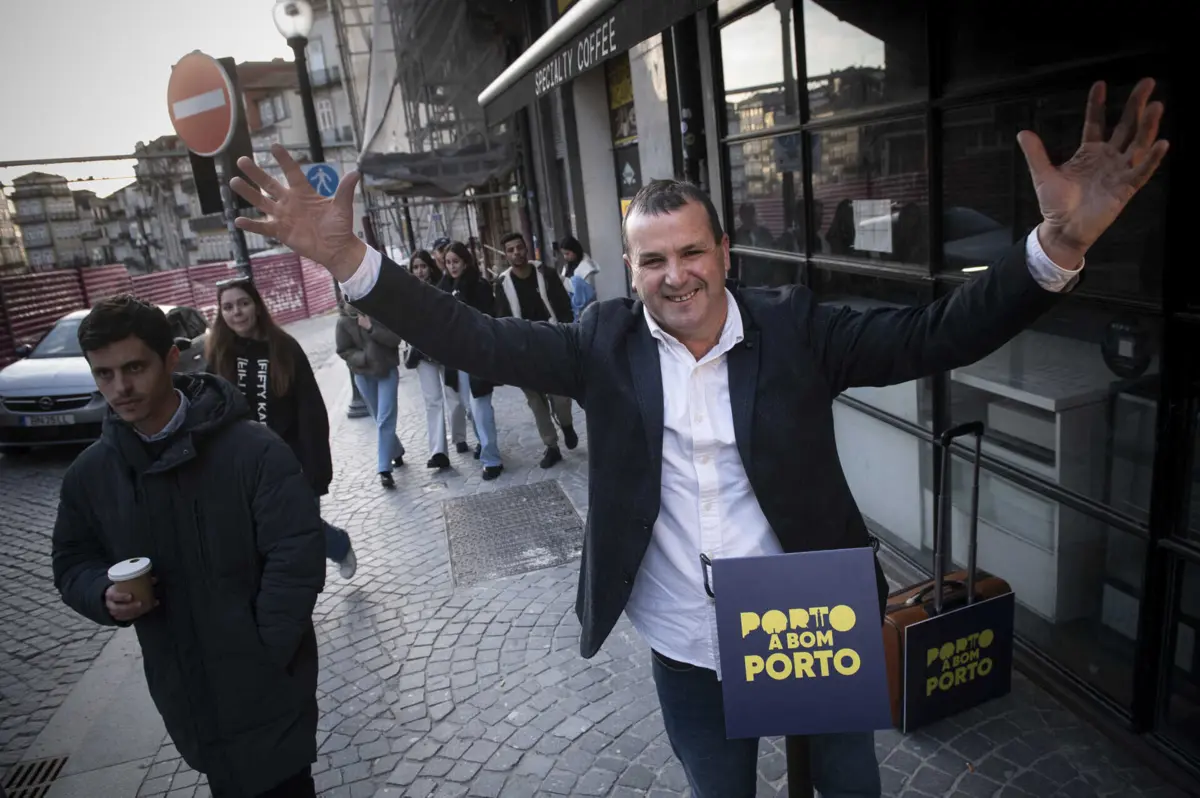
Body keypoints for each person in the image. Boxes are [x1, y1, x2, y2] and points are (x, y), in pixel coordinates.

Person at [231, 79, 1168, 798]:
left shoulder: (796, 325)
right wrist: (353, 262)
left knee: (847, 787)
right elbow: (473, 335)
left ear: (724, 254)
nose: (675, 276)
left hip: (808, 617)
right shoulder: (601, 342)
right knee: (718, 791)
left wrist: (1055, 246)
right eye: (653, 260)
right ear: (630, 267)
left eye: (691, 254)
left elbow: (938, 332)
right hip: (686, 631)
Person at [52, 295, 324, 798]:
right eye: (104, 374)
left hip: (267, 685)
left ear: (171, 359)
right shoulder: (91, 474)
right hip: (186, 692)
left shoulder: (254, 450)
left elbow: (297, 553)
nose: (120, 388)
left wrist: (264, 649)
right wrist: (100, 594)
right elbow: (72, 560)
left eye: (133, 368)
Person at [205, 278, 358, 579]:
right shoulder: (219, 355)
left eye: (243, 303)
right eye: (228, 307)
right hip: (245, 467)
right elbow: (210, 413)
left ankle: (338, 545)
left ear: (257, 306)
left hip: (291, 460)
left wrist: (316, 469)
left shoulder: (284, 347)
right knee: (262, 535)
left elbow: (311, 411)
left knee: (300, 526)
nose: (237, 312)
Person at [493, 231, 579, 469]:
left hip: (552, 341)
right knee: (536, 401)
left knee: (561, 396)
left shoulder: (546, 274)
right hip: (523, 348)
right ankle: (551, 446)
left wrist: (566, 333)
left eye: (519, 248)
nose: (516, 253)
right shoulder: (503, 283)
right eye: (510, 250)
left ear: (526, 249)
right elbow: (501, 318)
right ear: (506, 255)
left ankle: (567, 425)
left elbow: (564, 306)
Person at [442, 241, 504, 480]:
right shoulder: (445, 286)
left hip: (477, 354)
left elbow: (487, 317)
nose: (452, 266)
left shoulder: (478, 286)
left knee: (480, 407)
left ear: (465, 262)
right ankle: (483, 444)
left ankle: (492, 459)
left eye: (456, 261)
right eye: (448, 262)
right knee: (469, 408)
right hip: (456, 357)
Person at [404, 249, 469, 468]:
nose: (420, 271)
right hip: (422, 354)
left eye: (423, 266)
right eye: (415, 267)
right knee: (432, 401)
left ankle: (459, 437)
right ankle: (439, 452)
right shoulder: (406, 292)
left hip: (445, 351)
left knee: (454, 397)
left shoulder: (442, 288)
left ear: (429, 267)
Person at [335, 301, 407, 487]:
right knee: (379, 417)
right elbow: (343, 350)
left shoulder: (381, 309)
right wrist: (363, 358)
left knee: (385, 417)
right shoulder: (344, 320)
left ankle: (384, 469)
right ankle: (396, 450)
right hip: (363, 374)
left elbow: (395, 339)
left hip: (387, 370)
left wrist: (370, 327)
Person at [559, 235, 599, 321]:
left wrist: (564, 280)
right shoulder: (568, 265)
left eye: (567, 253)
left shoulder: (586, 267)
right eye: (563, 254)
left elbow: (584, 292)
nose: (565, 257)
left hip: (586, 312)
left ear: (575, 250)